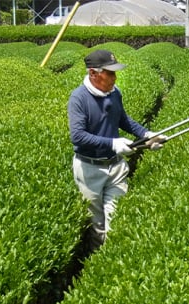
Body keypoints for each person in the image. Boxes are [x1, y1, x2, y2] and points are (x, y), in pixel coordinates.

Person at [67, 49, 166, 252]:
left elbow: (123, 120)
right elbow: (77, 136)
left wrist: (147, 135)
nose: (114, 77)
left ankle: (111, 259)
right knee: (97, 227)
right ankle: (95, 266)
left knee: (116, 222)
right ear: (93, 73)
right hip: (89, 170)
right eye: (109, 73)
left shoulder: (115, 93)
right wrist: (112, 143)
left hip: (116, 168)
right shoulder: (79, 98)